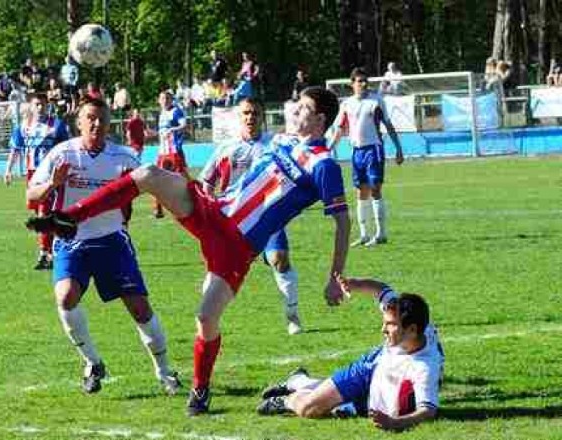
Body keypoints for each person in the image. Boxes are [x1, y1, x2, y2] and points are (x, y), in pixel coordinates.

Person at [26, 86, 350, 416]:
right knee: (148, 174)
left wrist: (335, 277)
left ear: (321, 119)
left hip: (237, 247)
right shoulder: (281, 141)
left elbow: (342, 222)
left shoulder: (324, 165)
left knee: (206, 318)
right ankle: (69, 218)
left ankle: (200, 389)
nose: (295, 112)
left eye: (304, 108)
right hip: (214, 210)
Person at [26, 96, 180, 395]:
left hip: (112, 240)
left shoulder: (122, 157)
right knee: (66, 296)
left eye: (102, 119)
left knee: (139, 309)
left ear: (110, 123)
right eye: (90, 118)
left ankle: (164, 371)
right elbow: (33, 194)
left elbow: (155, 182)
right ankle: (92, 363)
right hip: (72, 241)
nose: (96, 124)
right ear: (79, 122)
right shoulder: (61, 153)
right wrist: (53, 185)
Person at [257, 275, 444, 432]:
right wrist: (353, 284)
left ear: (412, 330)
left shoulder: (425, 366)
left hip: (389, 381)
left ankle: (299, 381)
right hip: (369, 369)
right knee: (309, 409)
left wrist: (395, 423)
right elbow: (381, 289)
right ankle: (287, 400)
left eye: (390, 325)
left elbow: (427, 411)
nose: (383, 329)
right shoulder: (404, 312)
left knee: (391, 408)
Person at [200, 98, 303, 335]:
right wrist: (209, 213)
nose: (250, 118)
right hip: (232, 221)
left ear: (262, 116)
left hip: (267, 214)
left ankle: (292, 315)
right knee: (218, 271)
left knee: (280, 258)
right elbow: (207, 182)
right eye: (246, 113)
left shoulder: (275, 145)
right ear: (240, 116)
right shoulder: (226, 148)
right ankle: (207, 320)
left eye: (255, 113)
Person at [330, 67, 404, 248]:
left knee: (375, 189)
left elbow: (387, 124)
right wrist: (329, 148)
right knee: (360, 192)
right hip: (357, 152)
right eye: (359, 81)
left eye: (365, 81)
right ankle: (364, 234)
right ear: (352, 84)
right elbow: (340, 129)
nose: (363, 84)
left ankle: (381, 233)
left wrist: (398, 149)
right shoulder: (347, 104)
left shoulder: (376, 101)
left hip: (374, 150)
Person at [4, 92, 70, 269]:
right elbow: (16, 149)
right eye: (37, 104)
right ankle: (54, 248)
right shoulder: (23, 127)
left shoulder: (56, 126)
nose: (40, 108)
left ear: (48, 106)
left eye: (43, 104)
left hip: (49, 175)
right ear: (30, 106)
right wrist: (8, 170)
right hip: (32, 174)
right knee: (42, 213)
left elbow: (68, 149)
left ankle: (45, 253)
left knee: (44, 214)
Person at [152, 90, 188, 218]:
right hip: (163, 152)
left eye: (167, 98)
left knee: (183, 179)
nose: (164, 101)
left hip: (174, 151)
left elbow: (184, 125)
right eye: (162, 98)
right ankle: (158, 209)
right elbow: (162, 133)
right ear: (159, 100)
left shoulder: (176, 111)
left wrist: (173, 129)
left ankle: (191, 203)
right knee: (157, 179)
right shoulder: (161, 114)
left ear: (171, 100)